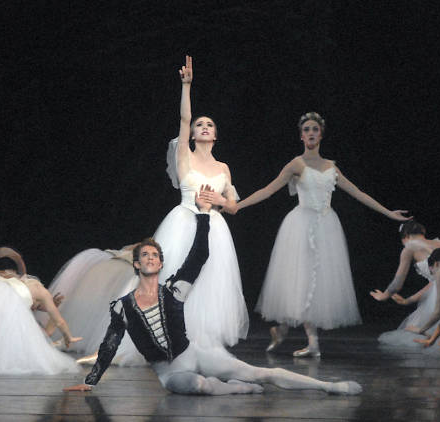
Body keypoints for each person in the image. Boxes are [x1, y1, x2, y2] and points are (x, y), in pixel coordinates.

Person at [63, 204, 362, 395]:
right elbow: (109, 345)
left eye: (155, 255)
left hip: (196, 354)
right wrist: (91, 381)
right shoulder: (123, 306)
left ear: (161, 262)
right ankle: (234, 390)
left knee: (262, 373)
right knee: (195, 384)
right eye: (145, 256)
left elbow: (199, 256)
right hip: (172, 374)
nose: (151, 258)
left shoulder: (175, 289)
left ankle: (328, 386)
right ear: (137, 264)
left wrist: (204, 217)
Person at [233, 112, 410, 357]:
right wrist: (238, 205)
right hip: (300, 226)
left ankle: (301, 338)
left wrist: (388, 213)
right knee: (302, 281)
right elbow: (269, 189)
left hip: (326, 226)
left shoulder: (331, 167)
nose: (311, 133)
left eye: (315, 129)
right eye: (306, 129)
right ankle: (296, 334)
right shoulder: (296, 164)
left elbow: (358, 192)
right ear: (301, 136)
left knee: (316, 285)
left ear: (321, 134)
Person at [151, 55, 248, 349]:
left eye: (209, 125)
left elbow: (234, 206)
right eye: (199, 125)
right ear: (192, 134)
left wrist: (220, 199)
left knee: (209, 282)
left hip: (213, 226)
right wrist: (186, 86)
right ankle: (165, 334)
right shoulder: (185, 156)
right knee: (174, 276)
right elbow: (183, 118)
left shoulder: (223, 168)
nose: (204, 127)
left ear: (215, 135)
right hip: (183, 221)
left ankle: (201, 337)